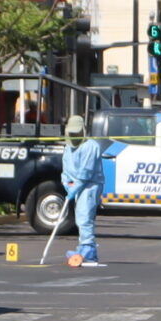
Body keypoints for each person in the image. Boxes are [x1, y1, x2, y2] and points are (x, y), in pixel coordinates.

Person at [60, 114, 105, 268]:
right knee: (80, 217)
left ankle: (88, 250)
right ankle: (83, 246)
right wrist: (66, 182)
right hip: (76, 185)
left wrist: (75, 187)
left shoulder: (91, 146)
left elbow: (86, 172)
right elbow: (65, 169)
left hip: (90, 185)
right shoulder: (68, 148)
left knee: (85, 216)